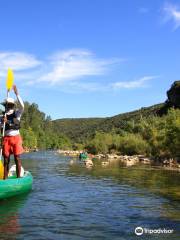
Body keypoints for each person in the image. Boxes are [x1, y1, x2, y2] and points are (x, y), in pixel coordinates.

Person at [1, 85, 24, 179]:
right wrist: (2, 123)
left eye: (10, 105)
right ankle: (4, 179)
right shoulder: (2, 116)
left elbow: (22, 106)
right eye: (7, 105)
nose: (8, 106)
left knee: (17, 158)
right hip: (6, 139)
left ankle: (18, 179)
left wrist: (17, 94)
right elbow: (1, 128)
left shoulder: (17, 113)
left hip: (16, 138)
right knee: (6, 160)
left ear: (12, 105)